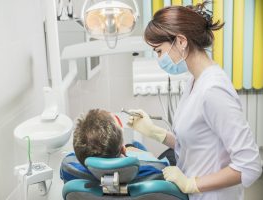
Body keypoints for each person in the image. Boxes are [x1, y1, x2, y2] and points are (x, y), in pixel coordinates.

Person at [127, 1, 262, 200]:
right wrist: (156, 132)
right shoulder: (194, 82)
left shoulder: (213, 90)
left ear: (181, 41)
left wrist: (192, 184)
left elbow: (249, 165)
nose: (158, 58)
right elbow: (194, 145)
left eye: (159, 51)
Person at [61, 109, 171, 183]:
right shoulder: (158, 170)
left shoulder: (68, 167)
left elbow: (73, 156)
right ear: (124, 150)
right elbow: (160, 165)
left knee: (134, 145)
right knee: (139, 146)